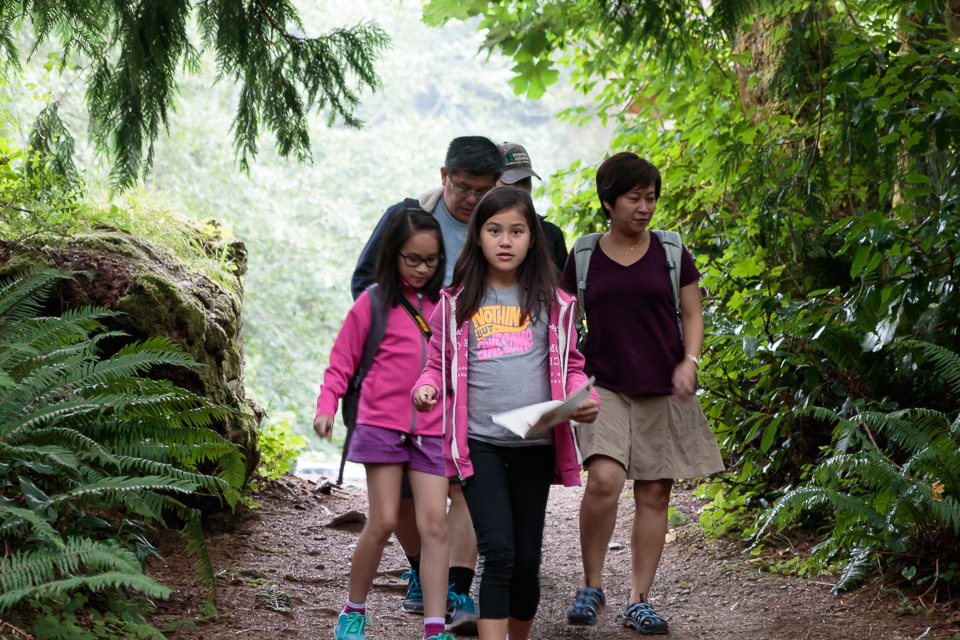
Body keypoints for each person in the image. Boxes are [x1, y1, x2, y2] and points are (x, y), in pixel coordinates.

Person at [413, 187, 600, 640]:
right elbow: (436, 361)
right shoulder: (455, 303)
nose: (505, 241)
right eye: (494, 230)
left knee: (525, 562)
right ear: (478, 237)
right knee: (498, 552)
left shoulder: (555, 303)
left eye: (516, 231)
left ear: (532, 237)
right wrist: (427, 386)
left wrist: (580, 396)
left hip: (535, 444)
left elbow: (572, 364)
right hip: (480, 444)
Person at [560, 152, 724, 635]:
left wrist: (690, 362)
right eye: (634, 198)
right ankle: (592, 586)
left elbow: (692, 313)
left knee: (654, 492)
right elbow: (563, 324)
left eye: (650, 198)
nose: (645, 207)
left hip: (662, 387)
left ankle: (639, 600)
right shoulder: (584, 255)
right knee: (604, 480)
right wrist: (566, 382)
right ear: (608, 202)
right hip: (603, 385)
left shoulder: (671, 251)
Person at [350, 136, 505, 634]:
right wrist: (413, 325)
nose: (471, 198)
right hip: (401, 379)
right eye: (463, 187)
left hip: (471, 373)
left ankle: (455, 584)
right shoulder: (407, 217)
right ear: (444, 176)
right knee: (400, 494)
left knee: (463, 480)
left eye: (482, 190)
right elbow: (364, 282)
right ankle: (420, 570)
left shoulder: (499, 228)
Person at [315, 209, 454, 640]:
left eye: (431, 260)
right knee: (384, 521)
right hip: (381, 426)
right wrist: (326, 406)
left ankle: (435, 629)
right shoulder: (372, 302)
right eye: (412, 259)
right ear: (393, 255)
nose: (421, 269)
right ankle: (352, 612)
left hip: (432, 429)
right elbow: (341, 362)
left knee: (435, 525)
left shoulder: (448, 306)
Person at [495, 141, 567, 273]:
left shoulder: (550, 234)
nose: (519, 189)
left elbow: (562, 283)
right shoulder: (476, 230)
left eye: (524, 181)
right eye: (511, 182)